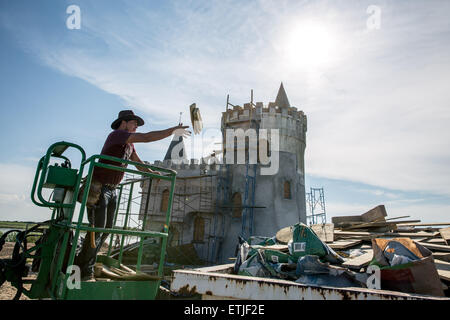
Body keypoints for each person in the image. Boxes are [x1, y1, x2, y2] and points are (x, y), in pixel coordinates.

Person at [75, 110, 190, 281]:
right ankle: (83, 270)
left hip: (112, 190)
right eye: (134, 123)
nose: (136, 126)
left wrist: (151, 174)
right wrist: (172, 131)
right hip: (99, 188)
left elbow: (137, 163)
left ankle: (83, 263)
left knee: (105, 230)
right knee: (97, 230)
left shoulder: (129, 144)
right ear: (124, 123)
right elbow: (147, 137)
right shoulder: (117, 135)